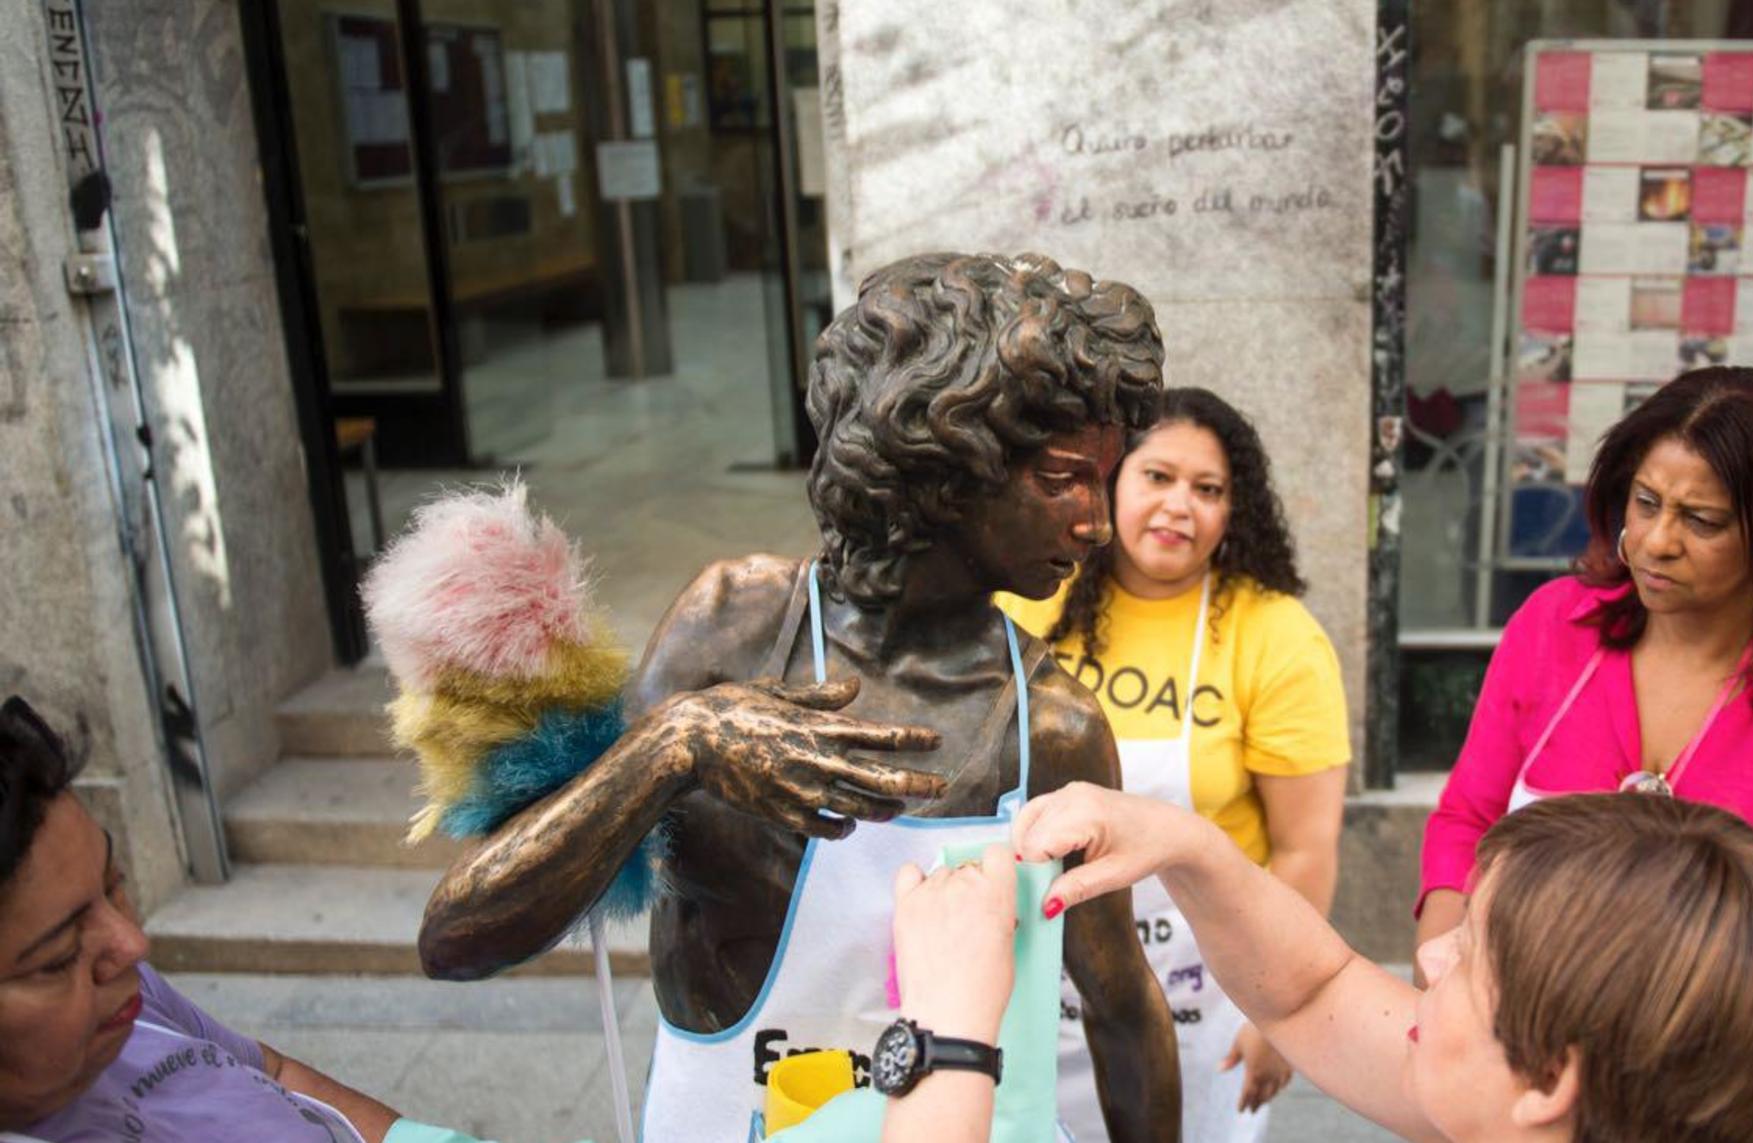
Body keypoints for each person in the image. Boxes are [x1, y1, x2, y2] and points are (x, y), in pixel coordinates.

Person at [413, 252, 1181, 1141]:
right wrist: (678, 742)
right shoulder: (734, 628)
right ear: (945, 466)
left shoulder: (1052, 725)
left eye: (1103, 479)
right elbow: (458, 937)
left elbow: (1122, 1004)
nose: (1096, 519)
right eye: (1060, 480)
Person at [1416, 366, 1753, 1142]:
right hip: (1530, 1090)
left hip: (1742, 1105)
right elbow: (1465, 822)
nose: (1655, 542)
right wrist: (1442, 983)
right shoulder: (1553, 628)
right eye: (1645, 503)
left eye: (1700, 519)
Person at [881, 784, 1753, 1143]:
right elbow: (1316, 989)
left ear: (1549, 1078)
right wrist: (1188, 846)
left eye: (1471, 955)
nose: (1427, 952)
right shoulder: (1534, 1115)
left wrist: (947, 1039)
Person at [1000, 386, 1349, 1139]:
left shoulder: (1277, 637)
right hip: (1035, 983)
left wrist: (1279, 1013)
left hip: (1207, 1001)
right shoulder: (1032, 605)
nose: (1178, 506)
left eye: (1208, 489)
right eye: (1156, 476)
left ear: (1234, 511)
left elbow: (1303, 848)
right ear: (1109, 483)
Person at [0, 695, 437, 1143]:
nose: (132, 943)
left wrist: (410, 1137)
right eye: (60, 956)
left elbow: (273, 1071)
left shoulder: (128, 1007)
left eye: (113, 886)